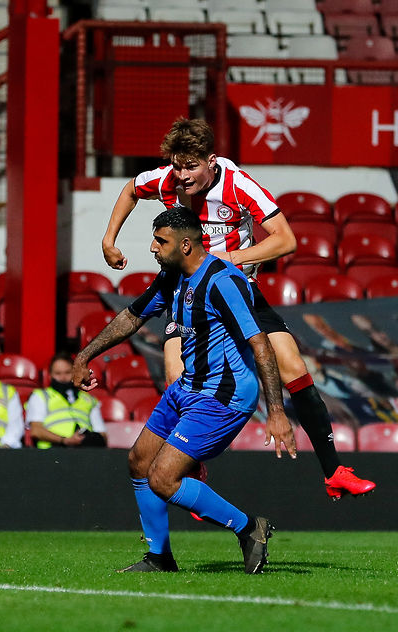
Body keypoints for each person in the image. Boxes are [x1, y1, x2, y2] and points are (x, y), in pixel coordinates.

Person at [99, 117, 376, 501]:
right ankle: (190, 468)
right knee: (177, 375)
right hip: (186, 292)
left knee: (294, 367)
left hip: (236, 290)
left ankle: (333, 471)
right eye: (177, 166)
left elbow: (286, 240)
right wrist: (108, 239)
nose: (182, 175)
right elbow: (131, 189)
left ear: (211, 161)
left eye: (191, 166)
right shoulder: (166, 180)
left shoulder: (238, 184)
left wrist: (231, 258)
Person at [76, 207, 296, 574]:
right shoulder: (172, 277)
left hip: (223, 395)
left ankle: (248, 528)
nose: (153, 247)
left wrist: (276, 411)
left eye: (160, 241)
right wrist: (85, 355)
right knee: (139, 462)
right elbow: (132, 316)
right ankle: (159, 558)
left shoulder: (223, 281)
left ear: (186, 244)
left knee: (163, 478)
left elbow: (260, 344)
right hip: (188, 387)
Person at [25, 354, 107, 448]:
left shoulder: (90, 400)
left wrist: (88, 439)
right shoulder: (40, 396)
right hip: (52, 450)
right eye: (58, 373)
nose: (63, 377)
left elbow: (102, 434)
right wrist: (65, 440)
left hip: (85, 449)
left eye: (67, 372)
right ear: (50, 375)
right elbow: (36, 431)